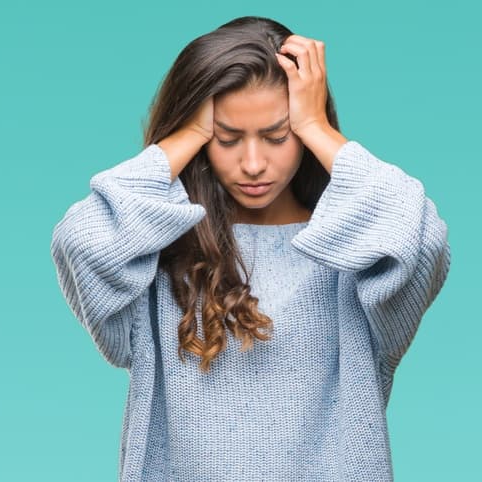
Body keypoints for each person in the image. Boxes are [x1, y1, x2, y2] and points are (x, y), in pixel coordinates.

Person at [49, 15, 450, 482]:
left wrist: (316, 125)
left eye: (278, 136)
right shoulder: (158, 246)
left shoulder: (352, 250)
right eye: (227, 138)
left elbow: (421, 239)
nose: (254, 164)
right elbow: (80, 242)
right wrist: (185, 135)